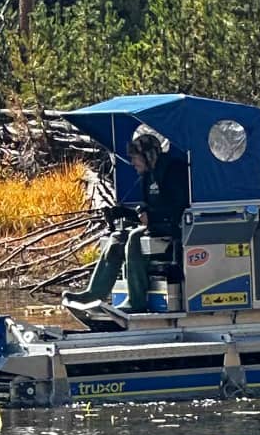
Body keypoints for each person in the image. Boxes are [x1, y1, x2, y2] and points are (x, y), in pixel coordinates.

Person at [76, 125, 192, 311]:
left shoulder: (172, 171)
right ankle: (94, 293)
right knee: (116, 238)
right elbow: (146, 212)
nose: (132, 163)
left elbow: (178, 207)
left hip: (175, 230)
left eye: (134, 157)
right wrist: (122, 212)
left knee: (135, 238)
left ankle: (136, 302)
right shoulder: (148, 175)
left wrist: (151, 216)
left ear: (147, 155)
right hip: (155, 227)